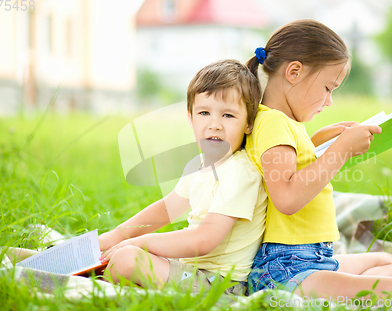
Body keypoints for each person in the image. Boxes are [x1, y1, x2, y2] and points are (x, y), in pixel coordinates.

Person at [244, 19, 392, 299]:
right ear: (294, 72)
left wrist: (319, 142)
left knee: (388, 263)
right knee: (370, 283)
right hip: (287, 269)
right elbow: (286, 198)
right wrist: (341, 151)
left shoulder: (282, 122)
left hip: (313, 259)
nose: (329, 101)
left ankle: (355, 290)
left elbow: (286, 167)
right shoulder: (273, 122)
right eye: (328, 88)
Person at [98, 59, 267, 295]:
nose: (214, 125)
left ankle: (106, 278)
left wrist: (138, 242)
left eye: (228, 115)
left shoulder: (240, 172)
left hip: (221, 285)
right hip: (191, 271)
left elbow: (204, 240)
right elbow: (166, 210)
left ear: (249, 123)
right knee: (111, 254)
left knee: (128, 258)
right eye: (204, 113)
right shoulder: (198, 164)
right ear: (191, 118)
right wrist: (116, 235)